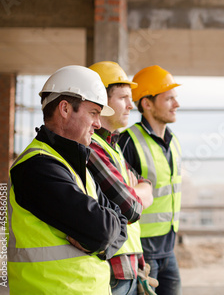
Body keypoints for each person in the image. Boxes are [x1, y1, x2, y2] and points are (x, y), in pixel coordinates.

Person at [7, 65, 128, 294]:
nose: (98, 124)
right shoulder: (36, 168)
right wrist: (101, 237)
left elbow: (120, 222)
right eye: (93, 113)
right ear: (64, 109)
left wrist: (101, 243)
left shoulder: (74, 164)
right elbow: (102, 230)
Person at [87, 61, 154, 294]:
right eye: (124, 97)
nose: (130, 106)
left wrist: (139, 190)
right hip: (113, 271)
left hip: (131, 265)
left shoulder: (112, 146)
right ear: (102, 101)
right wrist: (138, 192)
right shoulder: (92, 147)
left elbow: (147, 186)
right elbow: (130, 206)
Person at [118, 65, 182, 295]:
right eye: (169, 99)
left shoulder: (173, 141)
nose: (177, 104)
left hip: (168, 248)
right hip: (142, 252)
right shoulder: (127, 142)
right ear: (147, 103)